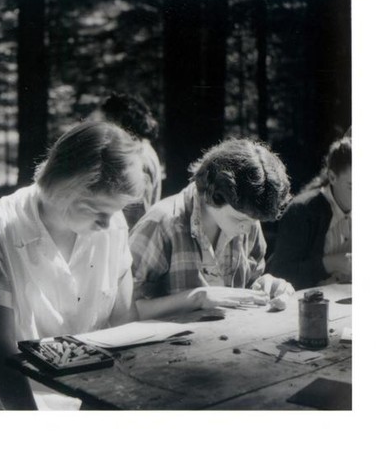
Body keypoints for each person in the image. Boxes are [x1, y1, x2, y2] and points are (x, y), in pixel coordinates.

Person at [0, 121, 145, 410]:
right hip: (7, 406)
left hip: (88, 399)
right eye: (98, 211)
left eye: (115, 211)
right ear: (65, 188)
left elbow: (123, 321)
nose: (109, 222)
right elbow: (0, 349)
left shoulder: (113, 225)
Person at [129, 138, 294, 320]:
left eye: (253, 221)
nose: (248, 229)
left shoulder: (246, 217)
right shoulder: (161, 223)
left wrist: (265, 285)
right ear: (213, 195)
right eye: (240, 219)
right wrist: (196, 299)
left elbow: (250, 284)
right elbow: (123, 311)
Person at [267, 136, 352, 289]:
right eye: (352, 186)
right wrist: (329, 264)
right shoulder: (302, 211)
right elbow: (279, 275)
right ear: (332, 177)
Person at [102, 92, 163, 229]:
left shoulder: (138, 158)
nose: (105, 127)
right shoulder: (144, 148)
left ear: (122, 120)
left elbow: (136, 216)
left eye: (109, 119)